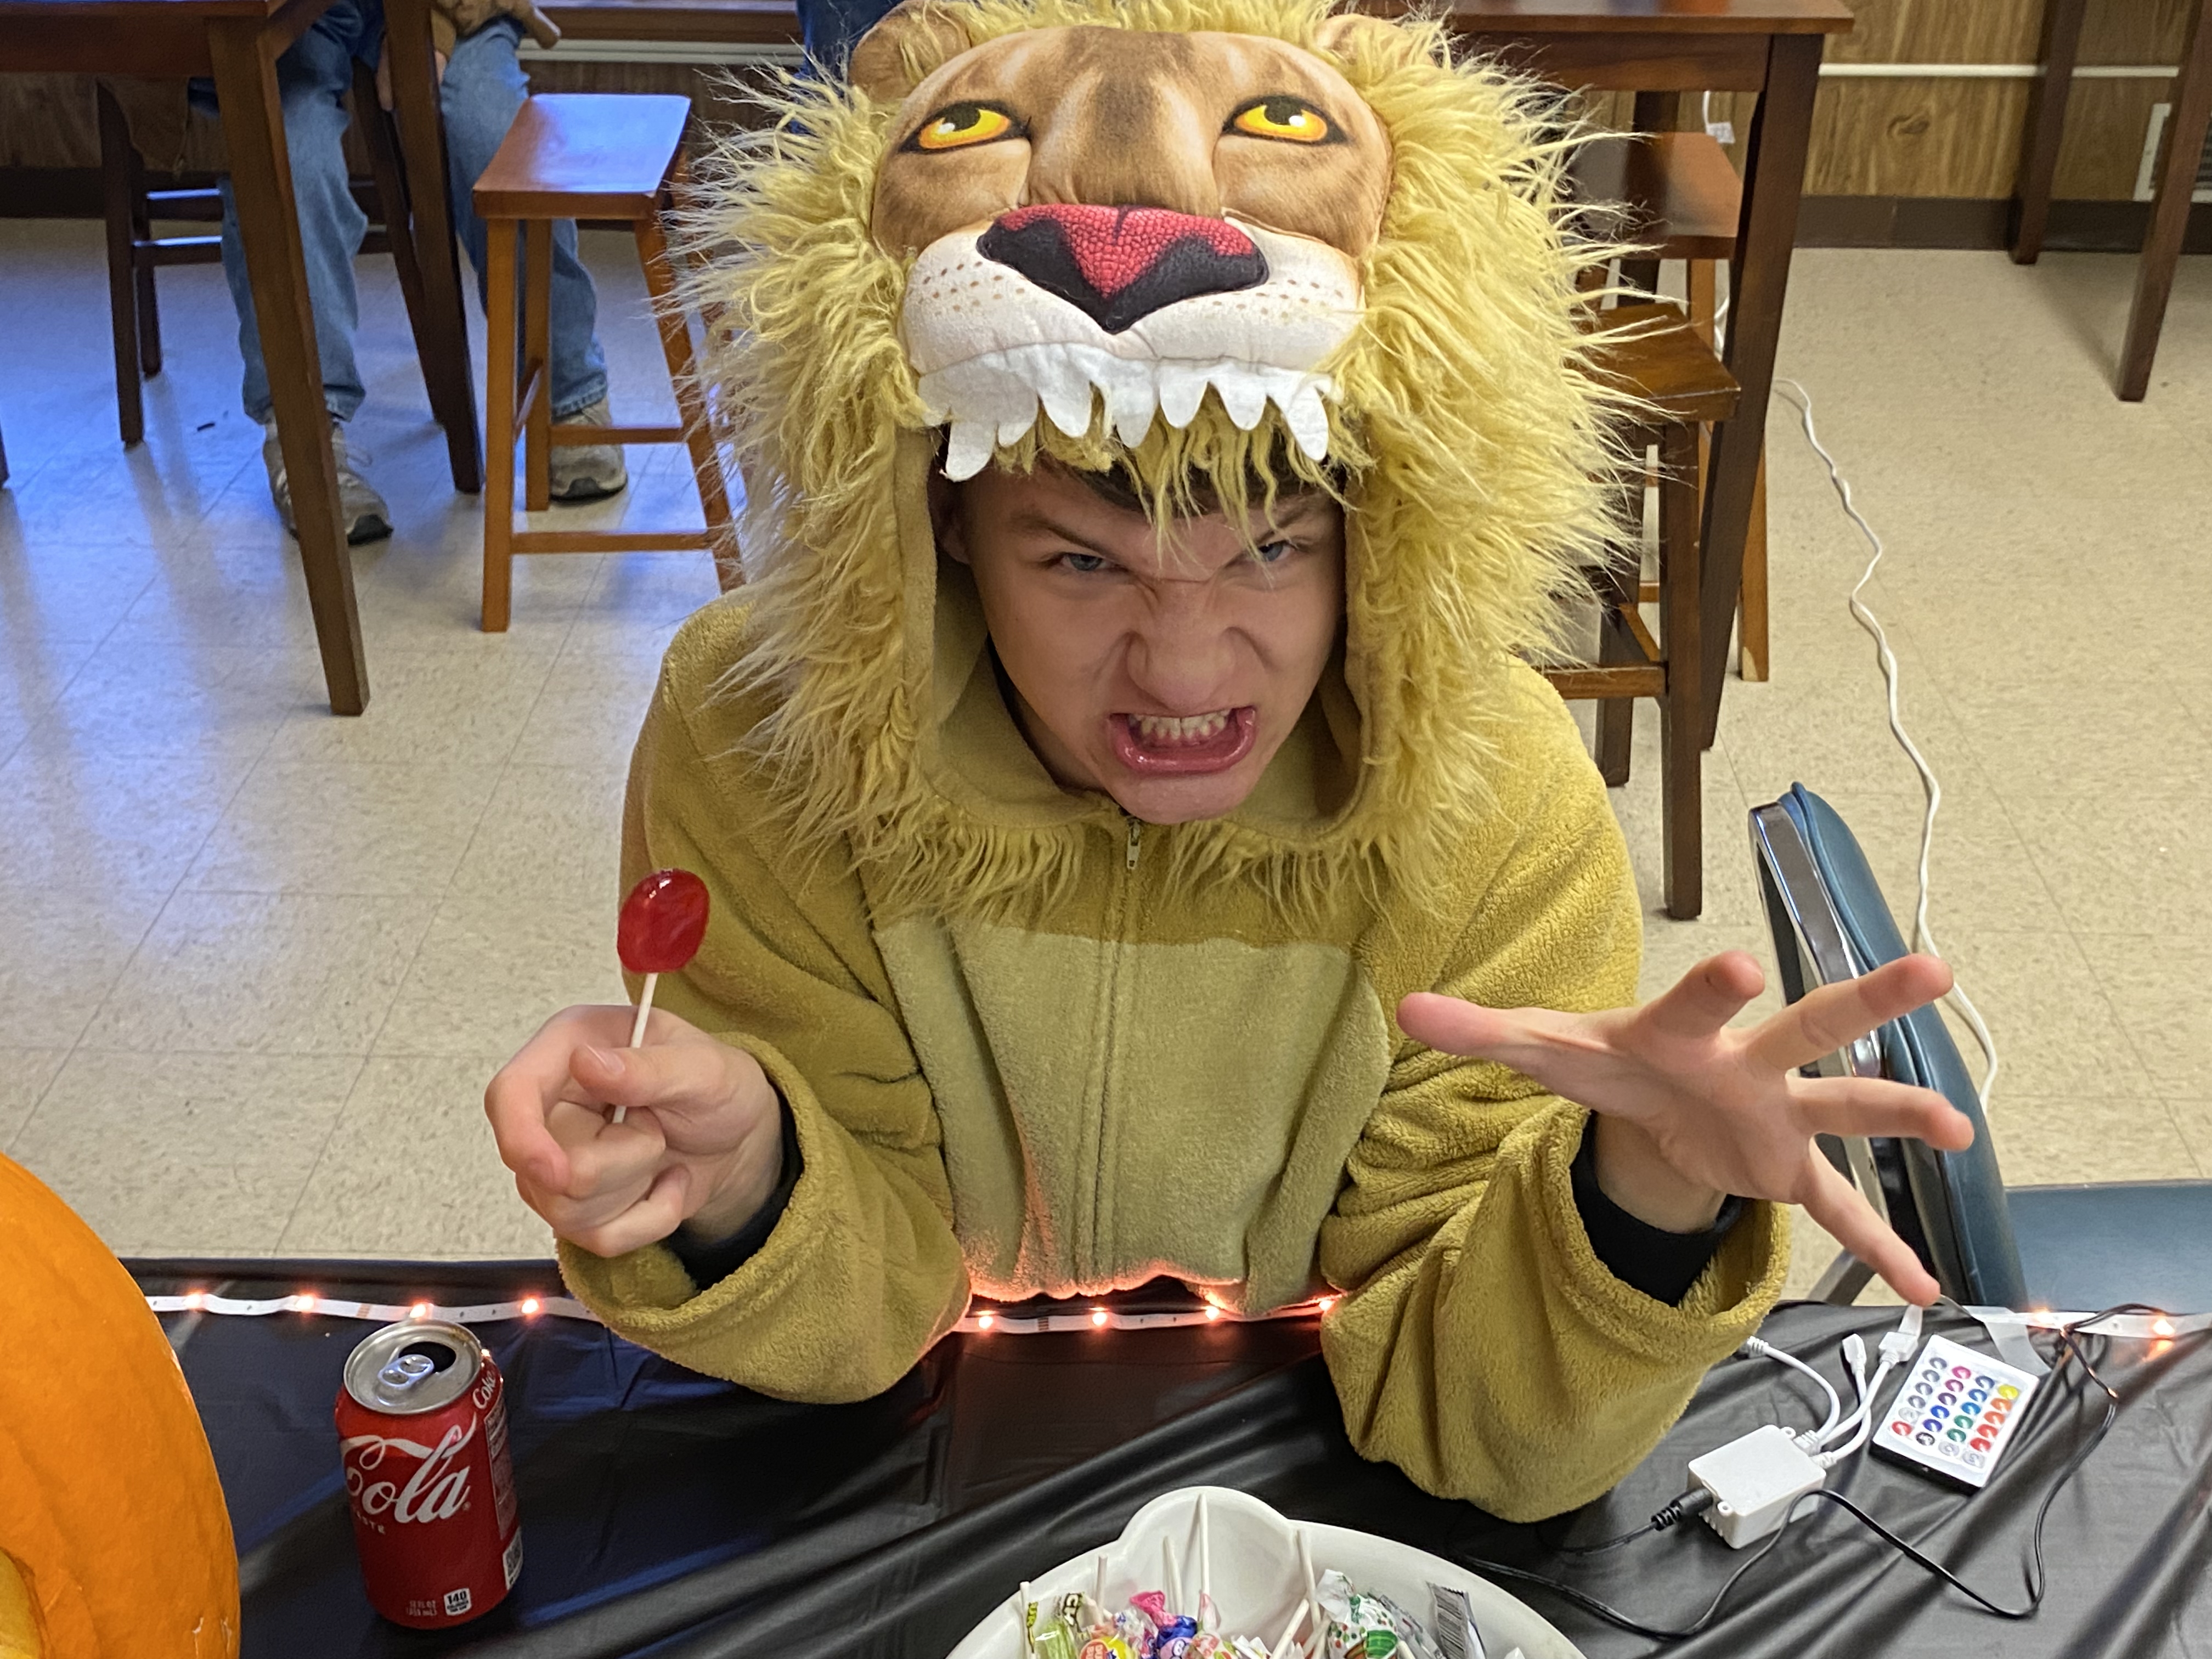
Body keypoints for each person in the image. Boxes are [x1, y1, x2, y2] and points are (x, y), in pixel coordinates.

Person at [483, 0, 1974, 1522]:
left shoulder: (1494, 790)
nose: (1186, 669)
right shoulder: (765, 739)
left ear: (1377, 536)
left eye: (1273, 548)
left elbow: (1481, 1427)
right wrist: (746, 1182)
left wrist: (1636, 1210)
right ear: (939, 531)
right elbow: (864, 1314)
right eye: (1079, 562)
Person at [194, 0, 625, 543]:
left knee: (491, 133)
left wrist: (438, 33)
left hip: (447, 4)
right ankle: (304, 439)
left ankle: (570, 395)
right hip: (288, 17)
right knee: (287, 156)